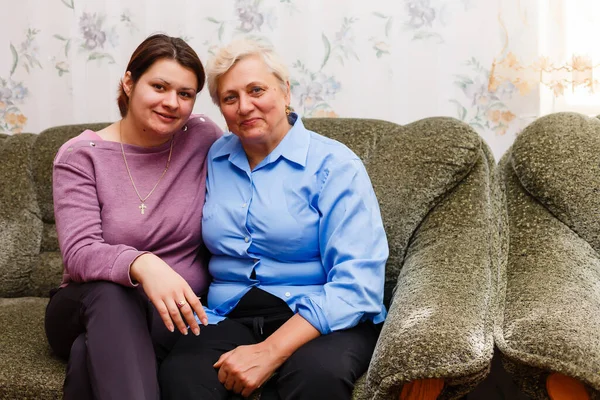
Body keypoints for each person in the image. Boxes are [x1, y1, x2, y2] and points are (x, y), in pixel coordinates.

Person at [159, 38, 389, 400]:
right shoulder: (213, 157)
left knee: (316, 376)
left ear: (285, 91)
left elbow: (359, 283)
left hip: (320, 316)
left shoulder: (335, 165)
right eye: (230, 98)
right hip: (229, 314)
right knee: (183, 374)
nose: (245, 106)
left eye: (256, 90)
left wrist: (270, 351)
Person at [44, 33, 221, 400]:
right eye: (159, 86)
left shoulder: (201, 137)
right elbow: (78, 253)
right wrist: (144, 264)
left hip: (169, 316)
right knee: (114, 294)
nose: (171, 103)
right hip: (85, 303)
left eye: (185, 94)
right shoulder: (80, 156)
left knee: (86, 354)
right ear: (129, 82)